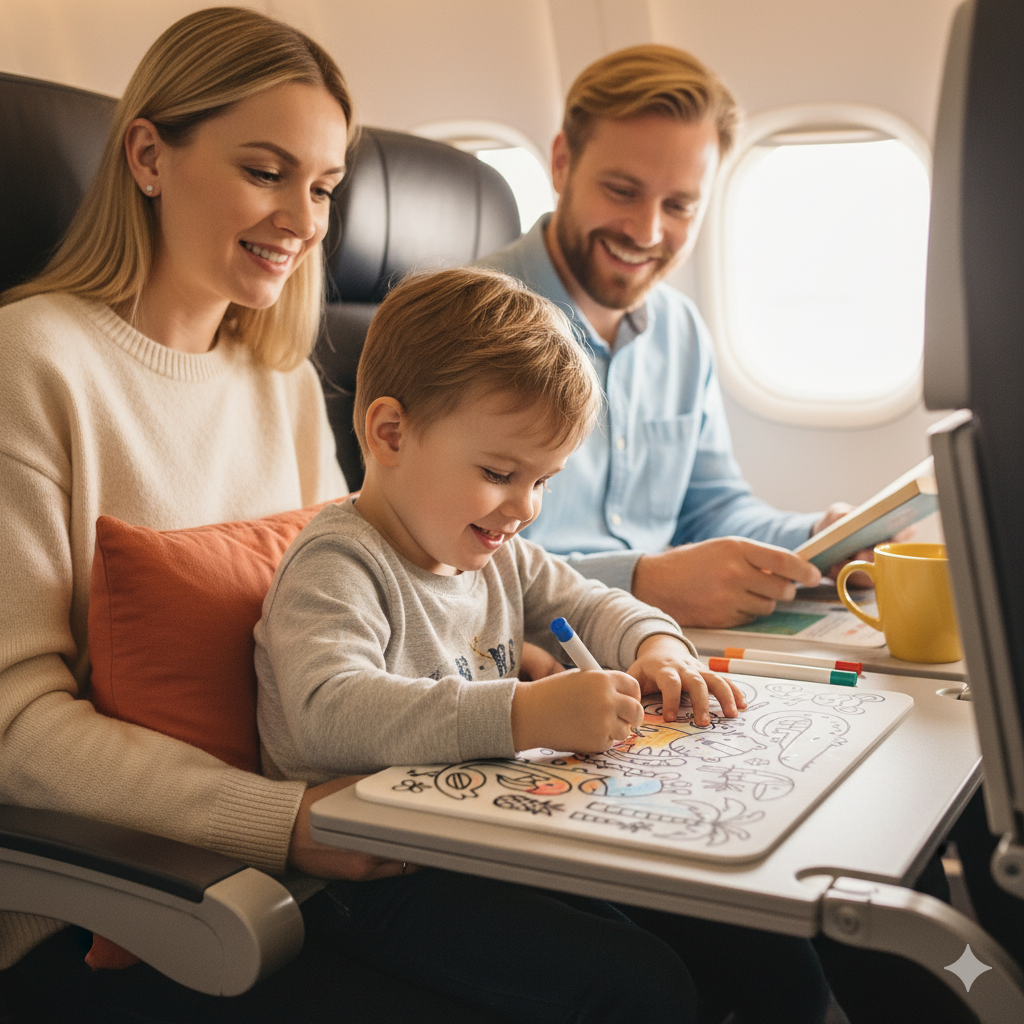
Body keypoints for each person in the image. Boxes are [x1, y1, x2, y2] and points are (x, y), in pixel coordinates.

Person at [0, 8, 455, 1022]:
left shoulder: (279, 377)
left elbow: (363, 598)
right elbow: (18, 729)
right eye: (265, 170)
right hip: (114, 895)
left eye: (325, 186)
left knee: (639, 951)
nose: (304, 216)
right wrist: (282, 820)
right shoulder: (33, 364)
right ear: (150, 157)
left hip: (297, 844)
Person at [254, 265, 835, 1024]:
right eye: (500, 473)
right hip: (375, 875)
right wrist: (524, 715)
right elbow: (327, 712)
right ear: (389, 433)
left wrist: (659, 649)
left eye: (545, 481)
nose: (525, 507)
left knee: (764, 945)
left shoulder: (495, 551)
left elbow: (590, 602)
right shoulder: (340, 564)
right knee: (641, 983)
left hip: (490, 833)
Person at [477, 45, 865, 630]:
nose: (647, 231)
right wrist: (641, 584)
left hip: (658, 638)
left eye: (679, 205)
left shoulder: (680, 329)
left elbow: (711, 508)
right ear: (562, 164)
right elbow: (436, 560)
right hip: (532, 652)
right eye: (622, 191)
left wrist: (816, 541)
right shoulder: (469, 320)